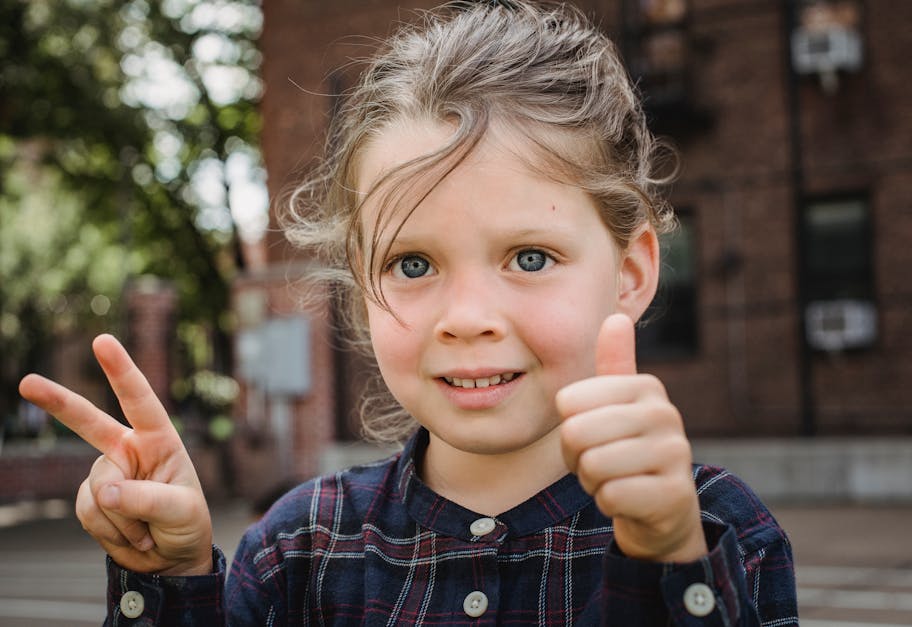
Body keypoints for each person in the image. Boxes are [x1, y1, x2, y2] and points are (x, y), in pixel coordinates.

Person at [19, 1, 798, 624]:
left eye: (529, 257)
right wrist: (170, 579)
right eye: (413, 264)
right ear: (360, 287)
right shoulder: (296, 550)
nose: (466, 316)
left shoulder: (720, 531)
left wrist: (668, 558)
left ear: (629, 274)